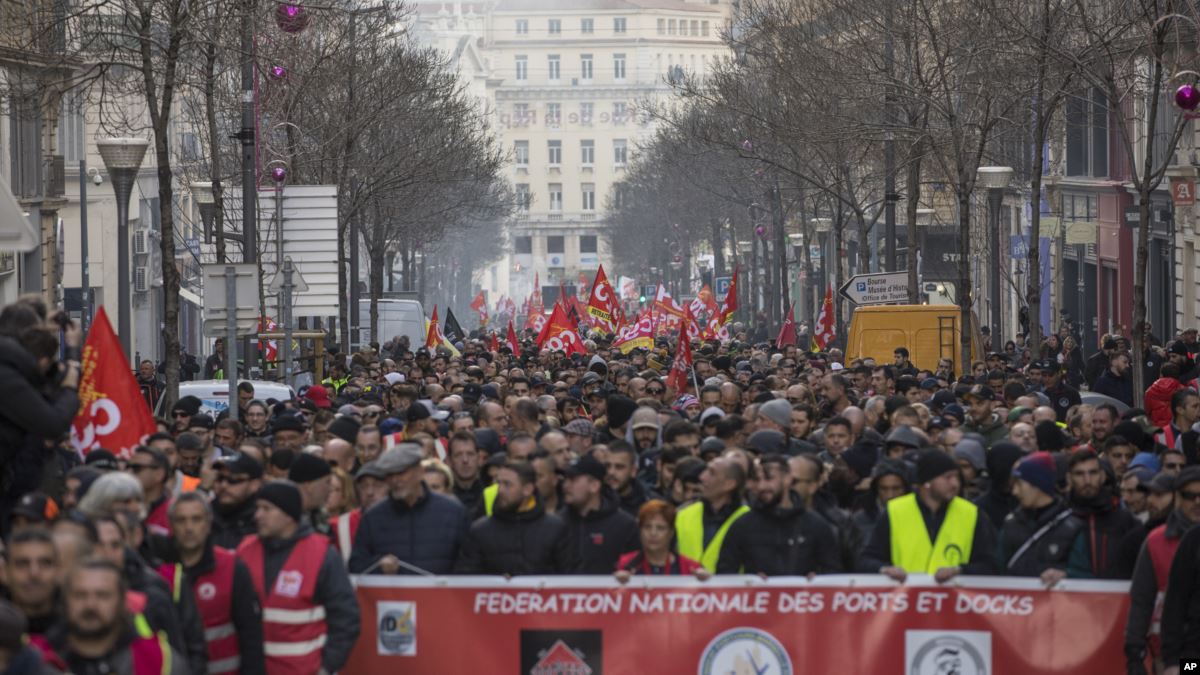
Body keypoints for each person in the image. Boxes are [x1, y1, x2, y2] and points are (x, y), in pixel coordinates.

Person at [236, 481, 360, 674]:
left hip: (303, 669)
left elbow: (346, 617)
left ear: (288, 515)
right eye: (257, 508)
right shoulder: (245, 550)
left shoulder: (321, 553)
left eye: (267, 509)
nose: (257, 515)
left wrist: (326, 667)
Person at [30, 558, 187, 675]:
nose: (90, 605)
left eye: (103, 595)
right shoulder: (33, 661)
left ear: (122, 601)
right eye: (79, 595)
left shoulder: (159, 661)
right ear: (64, 601)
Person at [859, 450, 997, 582]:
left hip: (954, 601)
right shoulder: (895, 511)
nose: (955, 484)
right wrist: (884, 569)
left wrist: (960, 571)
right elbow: (867, 560)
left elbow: (990, 566)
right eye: (947, 477)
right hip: (906, 601)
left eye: (956, 477)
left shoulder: (972, 514)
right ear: (927, 482)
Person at [166, 492, 265, 675]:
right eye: (181, 520)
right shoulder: (161, 570)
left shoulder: (232, 567)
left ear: (209, 523)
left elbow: (251, 636)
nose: (189, 527)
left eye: (196, 519)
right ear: (171, 525)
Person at [348, 444, 468, 575]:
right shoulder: (372, 517)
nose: (395, 480)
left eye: (401, 472)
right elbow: (356, 567)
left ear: (419, 471)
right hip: (393, 595)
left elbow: (469, 565)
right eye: (390, 474)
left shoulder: (453, 512)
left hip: (443, 594)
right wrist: (378, 565)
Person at [1127, 468, 1200, 675]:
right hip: (1179, 657)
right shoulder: (1156, 541)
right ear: (1177, 498)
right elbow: (1142, 600)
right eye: (1189, 496)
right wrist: (1134, 654)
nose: (1197, 502)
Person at [716, 454, 840, 575]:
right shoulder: (742, 526)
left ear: (787, 479)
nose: (761, 486)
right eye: (758, 480)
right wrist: (749, 582)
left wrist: (817, 581)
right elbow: (725, 573)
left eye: (769, 479)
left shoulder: (815, 525)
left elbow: (834, 572)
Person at [455, 461, 577, 575]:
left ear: (527, 489)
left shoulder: (555, 529)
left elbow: (568, 579)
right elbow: (466, 579)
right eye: (498, 483)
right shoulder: (480, 531)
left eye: (507, 484)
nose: (500, 490)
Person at [999, 452, 1082, 582]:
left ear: (1037, 484)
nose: (1014, 491)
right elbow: (996, 568)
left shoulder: (1073, 527)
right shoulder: (1011, 524)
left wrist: (1067, 575)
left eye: (1019, 484)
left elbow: (1084, 573)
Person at [1066, 450, 1142, 579]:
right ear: (1069, 478)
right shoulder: (1058, 519)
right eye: (1079, 474)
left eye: (1093, 472)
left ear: (1102, 476)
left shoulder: (1125, 520)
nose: (1087, 480)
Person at [559, 454, 639, 574]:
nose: (566, 485)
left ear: (594, 486)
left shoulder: (625, 526)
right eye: (565, 479)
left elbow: (636, 569)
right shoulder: (556, 524)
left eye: (573, 479)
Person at [674, 456, 750, 572]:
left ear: (729, 484)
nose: (702, 477)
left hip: (728, 589)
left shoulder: (749, 520)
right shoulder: (682, 514)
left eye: (711, 473)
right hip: (683, 589)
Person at [615, 500, 707, 579]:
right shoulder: (624, 565)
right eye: (647, 527)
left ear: (671, 533)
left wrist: (707, 583)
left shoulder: (691, 569)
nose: (653, 533)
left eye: (660, 528)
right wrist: (617, 585)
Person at [209, 454, 264, 550]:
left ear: (254, 485)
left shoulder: (263, 522)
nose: (224, 485)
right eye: (220, 478)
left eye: (233, 480)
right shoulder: (204, 515)